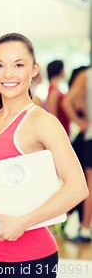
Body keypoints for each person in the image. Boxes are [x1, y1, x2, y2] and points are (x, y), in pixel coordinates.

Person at [0, 32, 88, 277]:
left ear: (34, 69)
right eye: (0, 65)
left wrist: (24, 221)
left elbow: (78, 187)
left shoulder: (41, 121)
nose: (9, 74)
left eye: (19, 65)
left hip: (31, 259)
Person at [62, 65, 92, 242]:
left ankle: (85, 229)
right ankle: (85, 229)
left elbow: (67, 102)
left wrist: (82, 122)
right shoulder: (86, 75)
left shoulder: (86, 75)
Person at [46, 59, 70, 136]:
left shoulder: (56, 89)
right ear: (60, 71)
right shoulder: (54, 92)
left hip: (63, 128)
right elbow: (53, 115)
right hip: (60, 132)